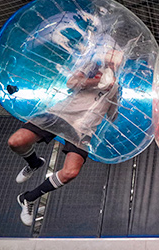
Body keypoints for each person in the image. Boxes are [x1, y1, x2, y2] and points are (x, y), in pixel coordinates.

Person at [7, 41, 123, 226]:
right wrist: (98, 82)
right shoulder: (92, 67)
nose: (114, 57)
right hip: (61, 114)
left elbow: (112, 116)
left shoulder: (117, 86)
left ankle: (28, 198)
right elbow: (71, 83)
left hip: (84, 128)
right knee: (16, 141)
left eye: (118, 56)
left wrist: (115, 96)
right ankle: (34, 163)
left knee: (70, 172)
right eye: (112, 53)